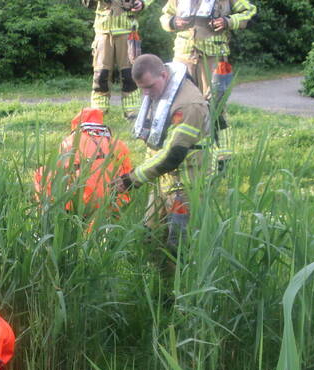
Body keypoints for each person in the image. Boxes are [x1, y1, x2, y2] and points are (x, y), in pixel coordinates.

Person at [116, 54, 209, 250]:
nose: (146, 94)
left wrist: (131, 179)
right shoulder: (159, 92)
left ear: (164, 75)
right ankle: (157, 279)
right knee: (149, 238)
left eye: (149, 87)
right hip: (162, 181)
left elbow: (173, 155)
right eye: (142, 88)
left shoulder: (188, 105)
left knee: (179, 247)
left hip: (184, 186)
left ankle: (181, 281)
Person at [159, 0, 254, 158]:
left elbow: (249, 13)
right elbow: (165, 15)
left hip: (213, 57)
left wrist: (227, 21)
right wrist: (172, 22)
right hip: (183, 57)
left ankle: (222, 158)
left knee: (215, 108)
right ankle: (180, 153)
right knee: (180, 107)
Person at [33, 107, 134, 216]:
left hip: (82, 203)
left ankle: (46, 214)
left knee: (41, 173)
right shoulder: (118, 144)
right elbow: (128, 175)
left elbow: (60, 173)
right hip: (115, 203)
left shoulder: (70, 142)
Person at [88, 0, 153, 117]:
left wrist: (142, 3)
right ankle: (98, 111)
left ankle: (132, 111)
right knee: (101, 74)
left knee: (129, 74)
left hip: (127, 30)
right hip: (103, 31)